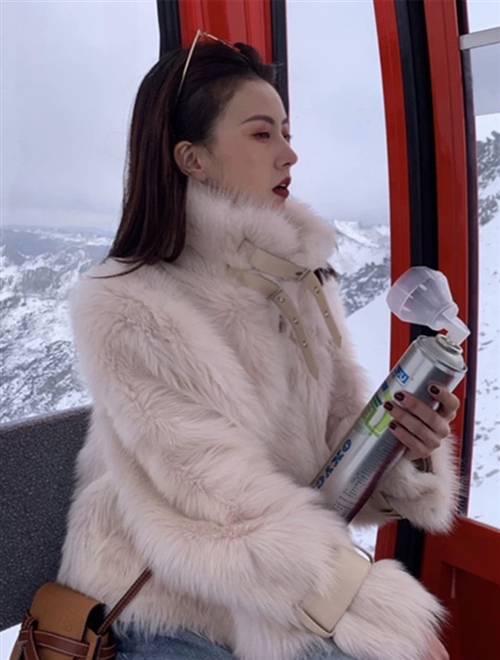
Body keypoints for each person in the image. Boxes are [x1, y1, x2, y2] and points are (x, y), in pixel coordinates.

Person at [58, 33, 459, 660]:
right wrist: (378, 611)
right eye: (262, 133)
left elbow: (333, 454)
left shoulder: (298, 280)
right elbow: (221, 503)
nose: (289, 154)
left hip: (277, 578)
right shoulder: (129, 304)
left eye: (287, 132)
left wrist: (404, 446)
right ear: (192, 158)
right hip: (165, 600)